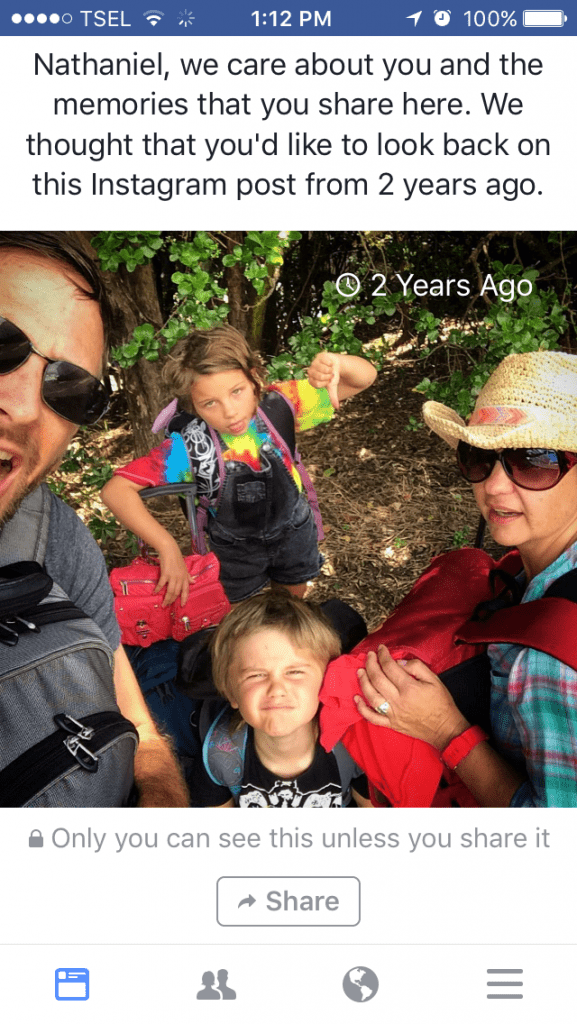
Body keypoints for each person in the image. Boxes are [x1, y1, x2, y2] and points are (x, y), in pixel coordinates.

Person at [0, 231, 188, 806]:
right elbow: (122, 486)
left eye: (71, 389)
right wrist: (170, 547)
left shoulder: (51, 535)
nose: (30, 407)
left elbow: (140, 731)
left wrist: (160, 792)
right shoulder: (189, 445)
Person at [355, 350, 577, 808]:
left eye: (534, 460)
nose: (493, 486)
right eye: (479, 457)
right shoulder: (536, 566)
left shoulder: (550, 664)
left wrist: (445, 730)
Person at [101, 325, 376, 605]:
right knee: (236, 616)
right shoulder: (188, 449)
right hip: (235, 553)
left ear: (254, 377)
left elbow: (363, 379)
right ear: (193, 406)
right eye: (210, 403)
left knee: (291, 604)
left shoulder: (280, 406)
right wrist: (167, 547)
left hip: (293, 533)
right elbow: (116, 491)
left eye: (237, 391)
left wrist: (337, 363)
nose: (229, 411)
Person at [192, 590, 370, 807]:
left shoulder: (354, 745)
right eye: (256, 675)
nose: (276, 689)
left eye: (295, 672)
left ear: (326, 682)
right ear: (231, 693)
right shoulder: (219, 756)